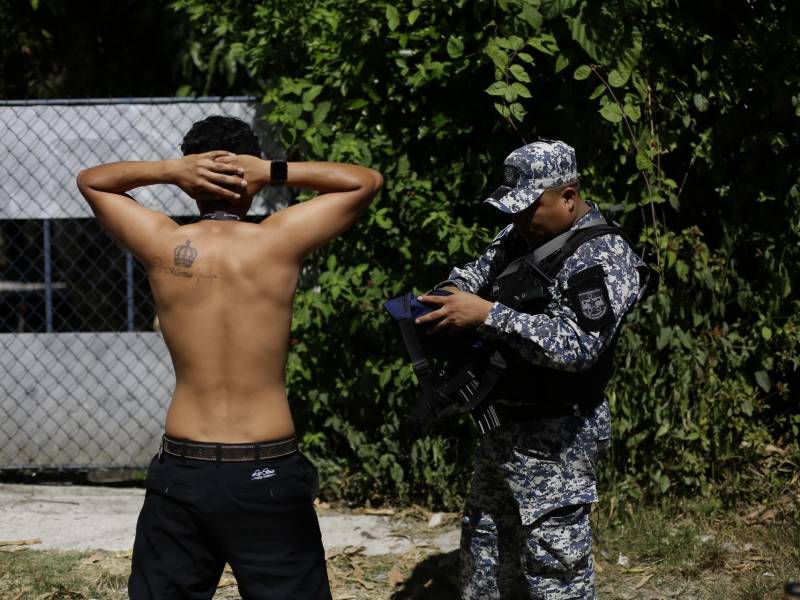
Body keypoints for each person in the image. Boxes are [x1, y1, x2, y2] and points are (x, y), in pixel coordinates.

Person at [76, 115, 383, 600]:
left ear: (192, 186)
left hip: (183, 469)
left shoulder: (162, 242)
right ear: (250, 177)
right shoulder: (278, 240)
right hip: (267, 468)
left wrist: (172, 170)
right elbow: (365, 181)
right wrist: (272, 171)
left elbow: (91, 181)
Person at [416, 139, 648, 599]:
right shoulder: (522, 234)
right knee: (485, 556)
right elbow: (477, 271)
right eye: (512, 209)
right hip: (502, 426)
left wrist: (487, 315)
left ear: (568, 196)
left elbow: (579, 345)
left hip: (558, 437)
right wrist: (450, 293)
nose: (518, 219)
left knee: (554, 571)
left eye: (528, 208)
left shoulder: (601, 254)